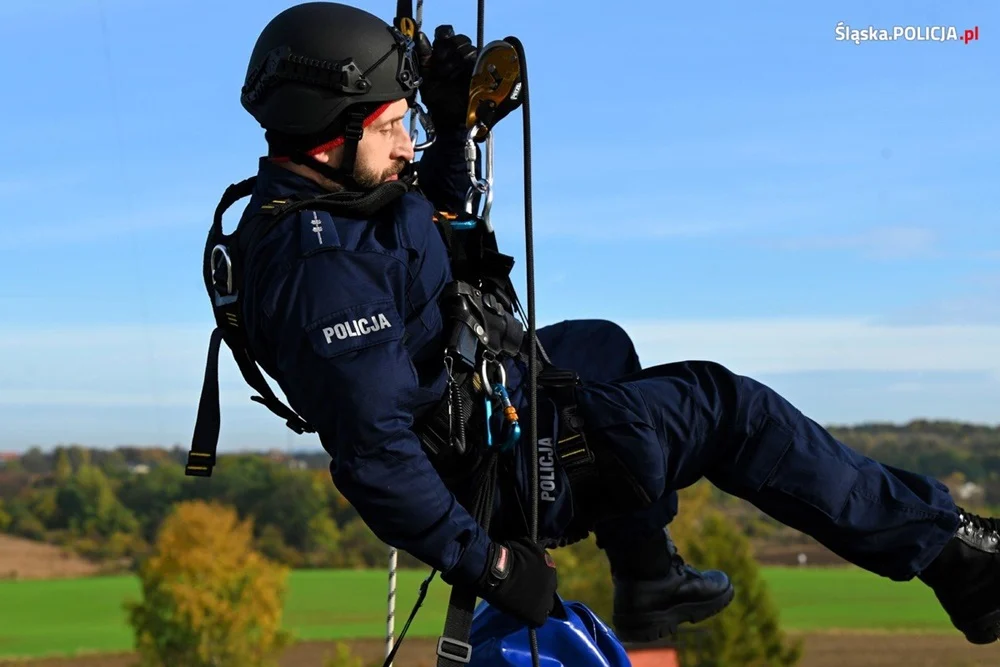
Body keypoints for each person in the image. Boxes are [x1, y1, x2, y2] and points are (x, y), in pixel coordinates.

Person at [206, 1, 1000, 648]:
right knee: (728, 408)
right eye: (391, 127)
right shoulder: (324, 278)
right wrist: (492, 565)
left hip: (475, 397)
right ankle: (953, 556)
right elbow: (375, 456)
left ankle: (649, 575)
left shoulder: (328, 202)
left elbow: (429, 230)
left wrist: (452, 127)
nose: (406, 145)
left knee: (600, 344)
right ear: (333, 132)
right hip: (500, 473)